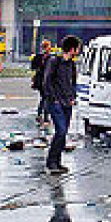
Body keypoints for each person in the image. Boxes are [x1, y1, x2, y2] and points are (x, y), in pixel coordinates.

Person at [43, 36, 81, 175]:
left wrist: (72, 97)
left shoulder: (71, 64)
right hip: (56, 102)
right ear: (72, 49)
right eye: (77, 48)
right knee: (61, 131)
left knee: (63, 133)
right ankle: (51, 162)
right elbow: (47, 82)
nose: (78, 51)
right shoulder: (54, 61)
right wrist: (54, 99)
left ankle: (57, 162)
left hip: (67, 102)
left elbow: (73, 82)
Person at [30, 39, 53, 126]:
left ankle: (40, 115)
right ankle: (45, 117)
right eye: (48, 47)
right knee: (46, 98)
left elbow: (33, 68)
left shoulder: (41, 57)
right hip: (43, 80)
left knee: (44, 98)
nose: (49, 48)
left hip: (42, 80)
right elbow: (34, 68)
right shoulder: (47, 58)